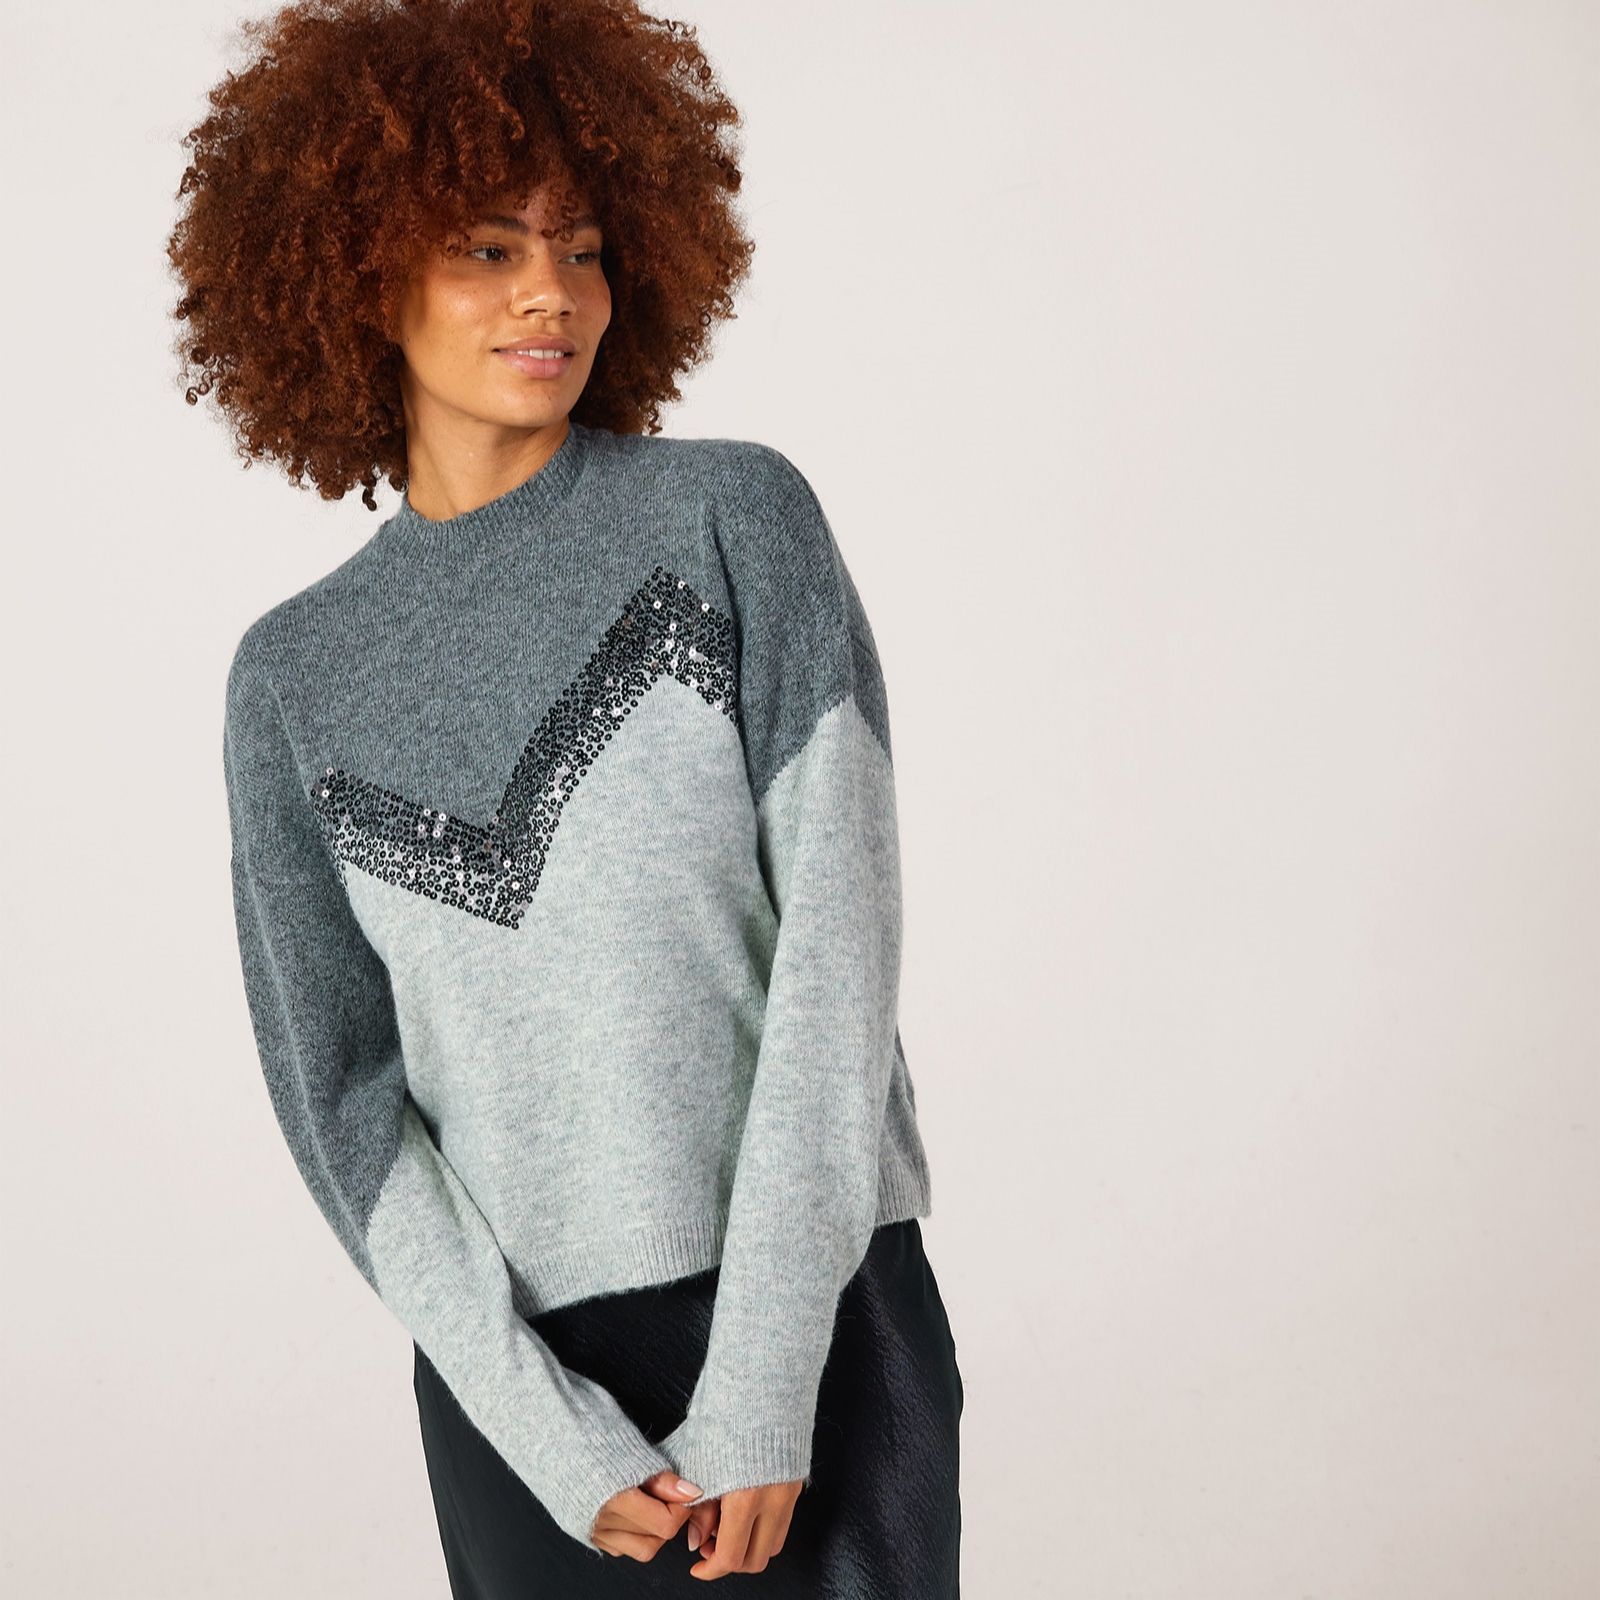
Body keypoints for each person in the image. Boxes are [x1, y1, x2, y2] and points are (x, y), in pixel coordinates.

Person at [176, 0, 962, 1591]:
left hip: (816, 1334)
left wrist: (764, 1378)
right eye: (487, 247)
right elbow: (342, 1104)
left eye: (584, 247)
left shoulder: (734, 519)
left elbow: (839, 960)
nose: (553, 291)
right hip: (527, 1410)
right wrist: (543, 1430)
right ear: (359, 274)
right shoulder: (293, 677)